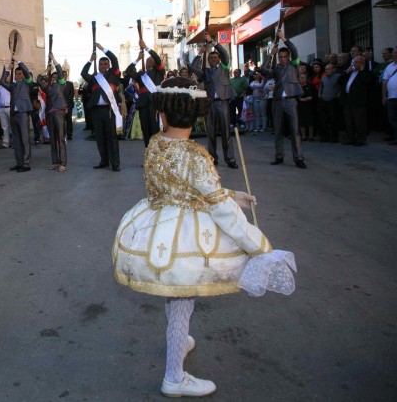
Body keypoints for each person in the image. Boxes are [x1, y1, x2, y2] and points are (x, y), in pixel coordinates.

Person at [111, 77, 295, 398]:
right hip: (186, 238)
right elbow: (217, 205)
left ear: (163, 114)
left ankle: (177, 343)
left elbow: (188, 187)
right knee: (183, 301)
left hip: (157, 227)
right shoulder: (195, 154)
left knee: (175, 297)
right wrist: (258, 245)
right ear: (197, 114)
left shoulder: (155, 142)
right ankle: (174, 377)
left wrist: (231, 193)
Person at [191, 33, 239, 168]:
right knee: (210, 133)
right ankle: (212, 158)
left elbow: (224, 53)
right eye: (211, 57)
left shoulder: (224, 68)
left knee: (225, 133)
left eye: (215, 57)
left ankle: (230, 159)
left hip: (222, 103)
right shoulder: (205, 72)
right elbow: (193, 67)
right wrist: (200, 53)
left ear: (219, 59)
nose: (213, 59)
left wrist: (212, 41)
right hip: (209, 104)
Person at [260, 30, 306, 168]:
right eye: (280, 57)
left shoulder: (294, 65)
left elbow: (294, 50)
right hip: (277, 101)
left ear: (288, 57)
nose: (282, 59)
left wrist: (283, 38)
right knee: (278, 130)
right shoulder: (276, 69)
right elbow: (263, 70)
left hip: (291, 101)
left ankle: (299, 158)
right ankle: (279, 156)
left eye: (285, 56)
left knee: (295, 130)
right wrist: (270, 55)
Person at [81, 43, 121, 171]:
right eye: (101, 64)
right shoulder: (94, 78)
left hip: (109, 111)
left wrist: (102, 48)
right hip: (96, 111)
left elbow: (114, 59)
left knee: (112, 137)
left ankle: (115, 163)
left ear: (108, 65)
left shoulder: (114, 75)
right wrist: (90, 60)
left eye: (105, 64)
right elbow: (83, 73)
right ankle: (104, 161)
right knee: (100, 138)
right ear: (98, 66)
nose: (103, 66)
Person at [131, 39, 166, 147]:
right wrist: (138, 59)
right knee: (145, 131)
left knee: (155, 130)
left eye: (149, 61)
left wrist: (146, 47)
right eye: (146, 61)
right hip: (143, 105)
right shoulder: (141, 75)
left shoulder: (159, 72)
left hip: (154, 104)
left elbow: (156, 57)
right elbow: (128, 71)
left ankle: (156, 157)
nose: (147, 63)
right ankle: (148, 156)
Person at [0, 59, 33, 172]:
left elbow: (27, 72)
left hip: (23, 113)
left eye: (20, 74)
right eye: (17, 74)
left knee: (24, 139)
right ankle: (19, 162)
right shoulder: (12, 86)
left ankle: (26, 163)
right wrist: (8, 68)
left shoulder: (27, 83)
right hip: (14, 114)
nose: (18, 75)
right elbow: (2, 81)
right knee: (16, 140)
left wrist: (18, 61)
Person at [38, 57, 67, 172]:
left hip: (59, 112)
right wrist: (46, 70)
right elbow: (38, 80)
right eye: (52, 77)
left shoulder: (61, 84)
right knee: (53, 138)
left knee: (60, 137)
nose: (54, 78)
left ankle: (63, 163)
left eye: (56, 77)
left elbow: (60, 71)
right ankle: (55, 162)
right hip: (50, 113)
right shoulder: (47, 87)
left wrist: (53, 59)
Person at [340, 55, 373, 146]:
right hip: (347, 100)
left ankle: (361, 139)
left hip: (358, 101)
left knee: (359, 121)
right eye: (354, 62)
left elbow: (366, 82)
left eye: (357, 62)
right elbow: (340, 80)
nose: (355, 64)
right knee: (349, 121)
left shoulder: (365, 73)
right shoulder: (351, 72)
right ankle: (351, 138)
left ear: (362, 63)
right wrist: (347, 71)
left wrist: (362, 70)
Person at [382, 47, 397, 145]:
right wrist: (384, 96)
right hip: (391, 97)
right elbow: (384, 81)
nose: (395, 54)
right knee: (392, 118)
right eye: (395, 53)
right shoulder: (389, 66)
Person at [297, 73, 317, 141]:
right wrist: (301, 99)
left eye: (304, 77)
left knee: (310, 122)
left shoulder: (311, 86)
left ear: (307, 78)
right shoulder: (297, 87)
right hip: (300, 106)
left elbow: (313, 96)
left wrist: (305, 99)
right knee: (301, 121)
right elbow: (295, 96)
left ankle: (311, 136)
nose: (302, 78)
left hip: (309, 106)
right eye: (301, 77)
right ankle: (303, 136)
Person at [0, 79, 11, 149]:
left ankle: (16, 143)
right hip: (2, 108)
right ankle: (5, 143)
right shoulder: (0, 87)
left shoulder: (12, 86)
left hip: (10, 108)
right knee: (4, 127)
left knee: (13, 126)